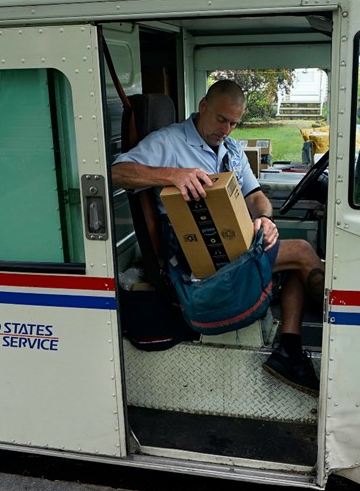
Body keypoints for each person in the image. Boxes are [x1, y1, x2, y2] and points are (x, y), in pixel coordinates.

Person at [111, 80, 325, 396]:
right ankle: (348, 326)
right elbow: (116, 172)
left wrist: (264, 218)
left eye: (234, 123)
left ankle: (289, 349)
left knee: (292, 257)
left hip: (231, 245)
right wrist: (172, 175)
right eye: (221, 119)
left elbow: (255, 196)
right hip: (194, 257)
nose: (226, 129)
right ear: (203, 106)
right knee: (304, 251)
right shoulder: (169, 142)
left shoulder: (231, 149)